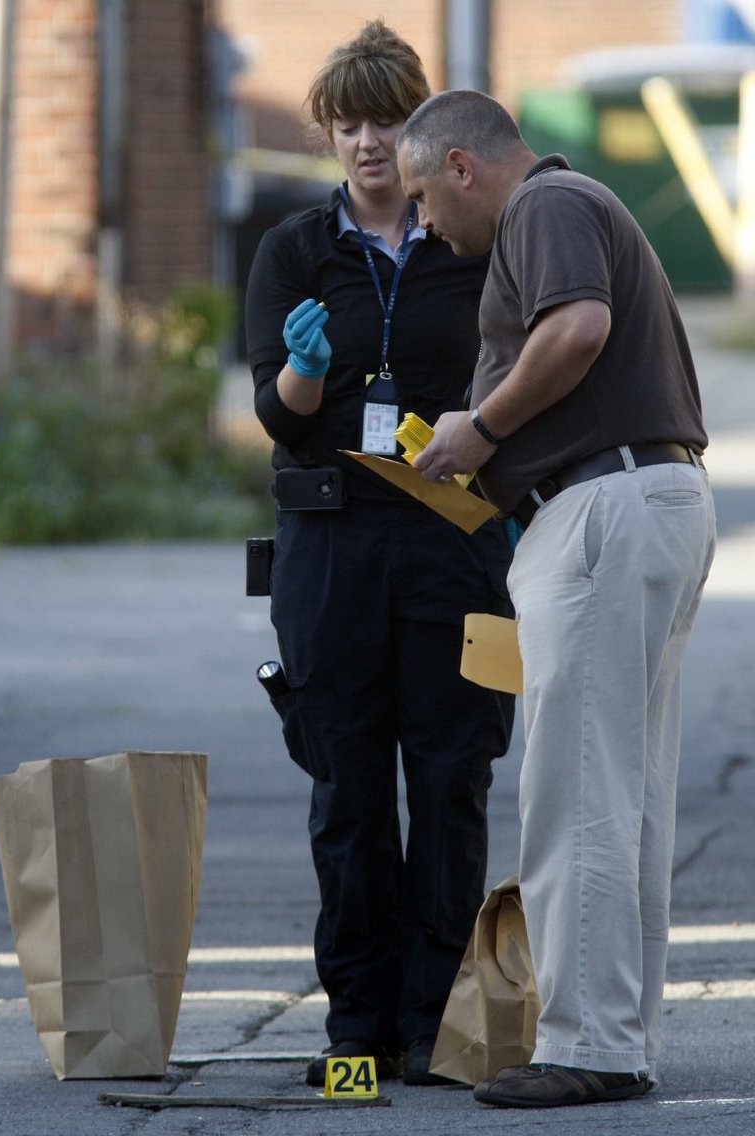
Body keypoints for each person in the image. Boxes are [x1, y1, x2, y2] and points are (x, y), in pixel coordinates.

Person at [396, 90, 716, 1109]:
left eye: (419, 196)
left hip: (602, 510)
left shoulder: (544, 205)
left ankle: (587, 1040)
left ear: (458, 165)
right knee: (623, 793)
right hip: (638, 500)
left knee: (576, 790)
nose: (419, 225)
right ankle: (618, 1033)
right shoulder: (569, 206)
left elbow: (577, 326)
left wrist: (478, 428)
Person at [245, 24, 516, 1087]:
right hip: (332, 544)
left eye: (386, 120)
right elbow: (277, 412)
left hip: (454, 541)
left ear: (422, 129)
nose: (366, 142)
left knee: (452, 777)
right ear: (326, 132)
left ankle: (437, 1022)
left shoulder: (470, 240)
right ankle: (355, 1031)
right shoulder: (292, 251)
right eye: (346, 123)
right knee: (347, 788)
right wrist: (308, 372)